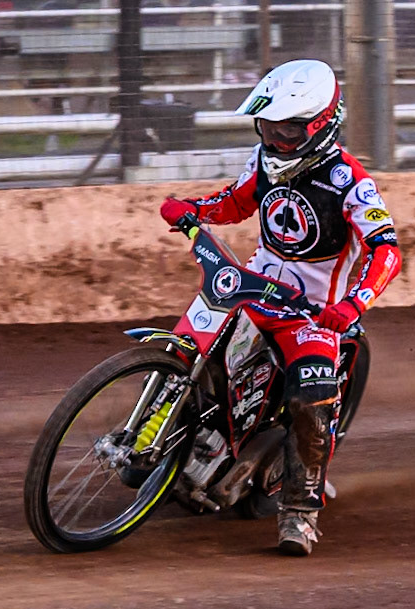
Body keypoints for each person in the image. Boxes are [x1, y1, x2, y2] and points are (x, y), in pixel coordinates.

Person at [158, 59, 401, 556]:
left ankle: (299, 514)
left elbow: (386, 251)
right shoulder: (262, 159)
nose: (275, 138)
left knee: (311, 397)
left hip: (311, 313)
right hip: (251, 288)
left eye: (288, 129)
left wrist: (353, 304)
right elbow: (237, 202)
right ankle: (160, 438)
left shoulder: (351, 182)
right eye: (268, 126)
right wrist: (194, 210)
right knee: (187, 347)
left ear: (322, 124)